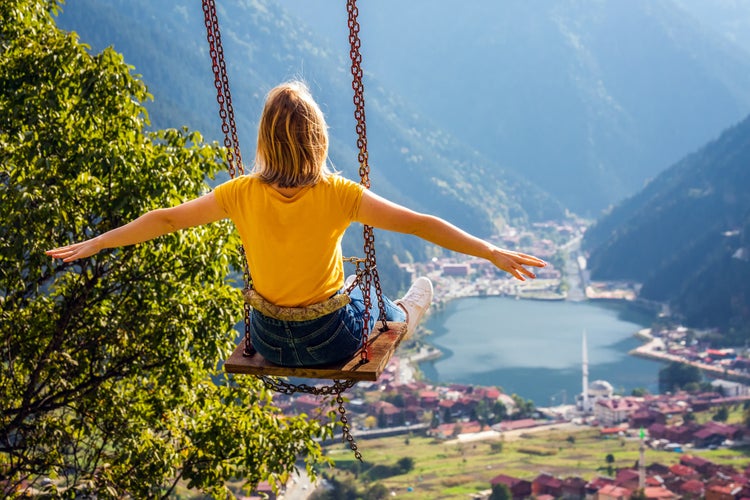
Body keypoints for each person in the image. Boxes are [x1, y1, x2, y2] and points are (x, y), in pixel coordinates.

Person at [47, 80, 546, 368]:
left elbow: (166, 219)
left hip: (265, 338)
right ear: (318, 138)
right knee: (373, 300)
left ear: (264, 137)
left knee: (349, 292)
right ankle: (406, 313)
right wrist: (489, 252)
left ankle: (395, 309)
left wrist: (97, 243)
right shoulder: (338, 195)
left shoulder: (239, 193)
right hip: (331, 339)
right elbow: (420, 224)